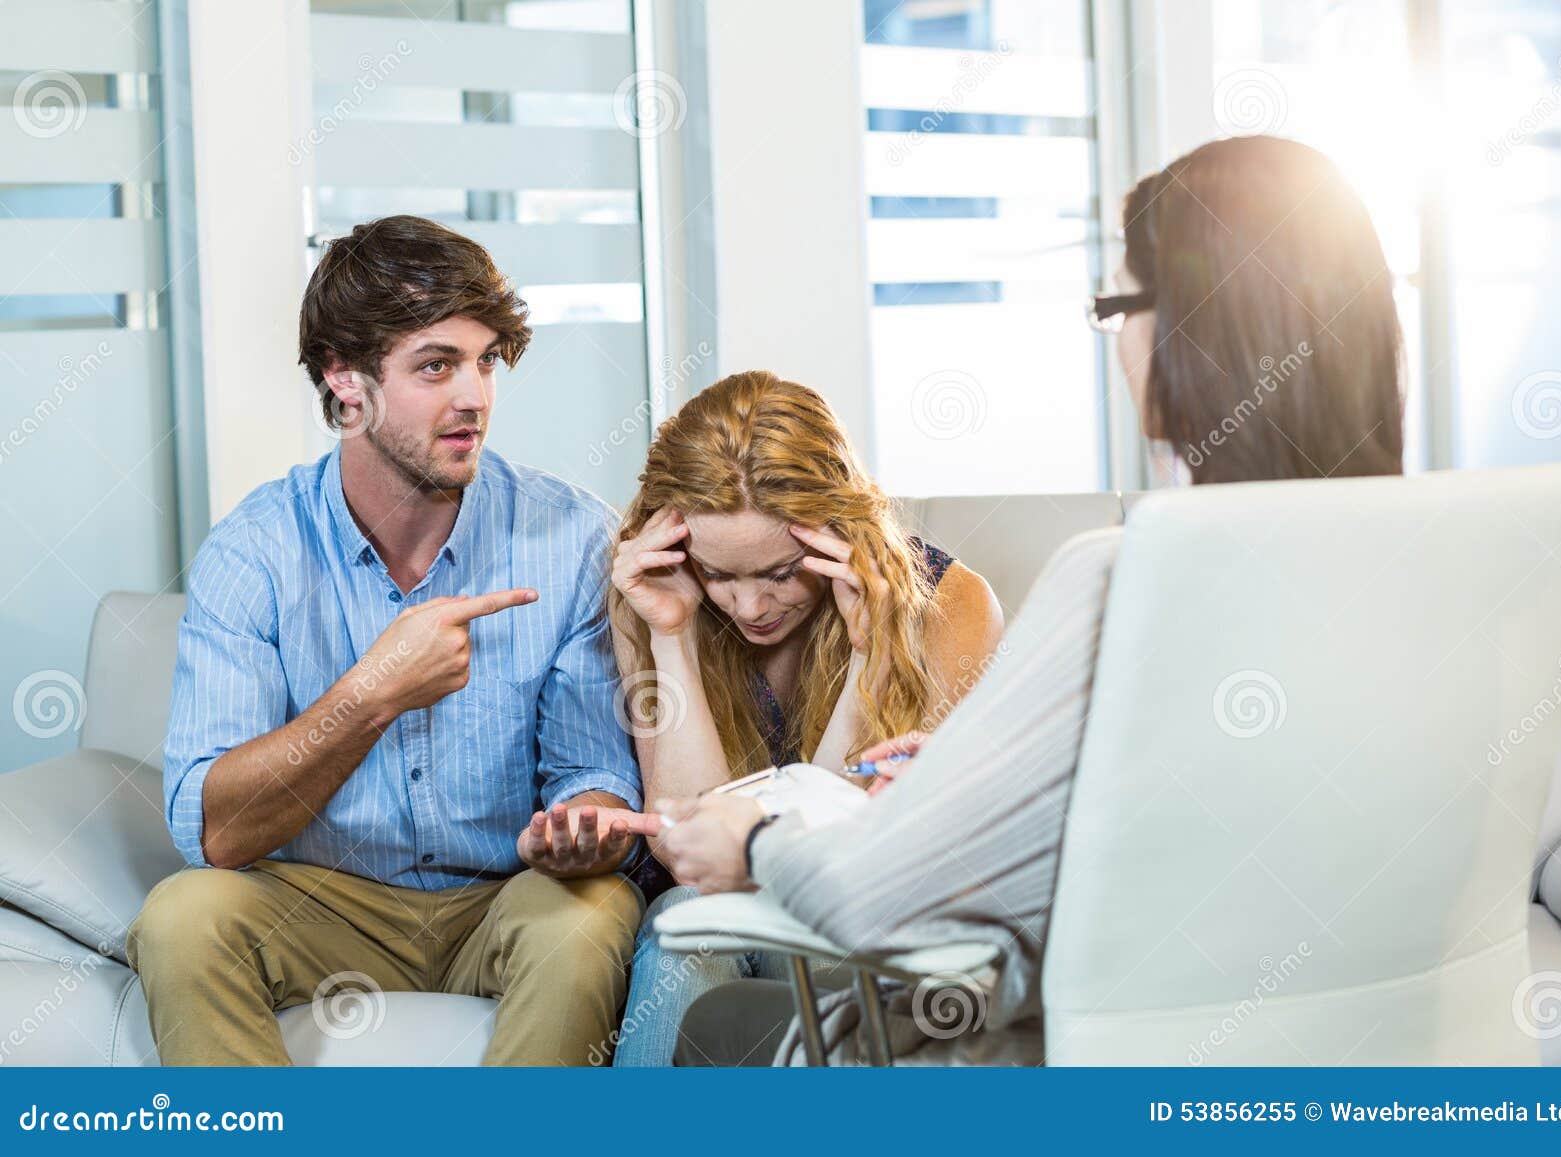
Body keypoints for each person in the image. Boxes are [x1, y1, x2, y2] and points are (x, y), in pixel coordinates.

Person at [659, 135, 1407, 1065]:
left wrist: (758, 838)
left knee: (715, 1028)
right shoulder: (1442, 575)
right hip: (1365, 1061)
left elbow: (874, 895)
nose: (1118, 341)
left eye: (1118, 307)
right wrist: (1002, 774)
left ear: (1191, 336)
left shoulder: (1118, 587)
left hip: (1102, 1065)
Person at [127, 215, 652, 1066]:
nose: (474, 396)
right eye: (436, 365)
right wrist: (372, 694)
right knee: (182, 918)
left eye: (486, 360)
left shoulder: (573, 537)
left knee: (592, 915)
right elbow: (216, 832)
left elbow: (594, 770)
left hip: (508, 897)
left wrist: (584, 824)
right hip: (323, 904)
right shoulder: (255, 551)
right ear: (347, 381)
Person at [606, 370, 1005, 1065]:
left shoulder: (952, 604)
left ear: (840, 531)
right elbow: (689, 852)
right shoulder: (654, 592)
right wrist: (671, 636)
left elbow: (846, 851)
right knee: (683, 922)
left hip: (863, 911)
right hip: (715, 901)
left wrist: (870, 656)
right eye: (719, 574)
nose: (751, 607)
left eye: (781, 571)